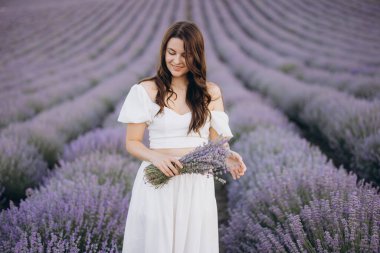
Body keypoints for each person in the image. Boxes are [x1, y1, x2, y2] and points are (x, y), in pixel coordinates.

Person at [117, 21, 247, 253]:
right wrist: (155, 158)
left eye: (185, 55)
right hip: (159, 182)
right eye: (171, 52)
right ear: (163, 52)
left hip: (196, 184)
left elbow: (217, 144)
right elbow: (132, 143)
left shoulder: (210, 92)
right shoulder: (146, 90)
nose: (176, 61)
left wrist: (228, 156)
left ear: (196, 56)